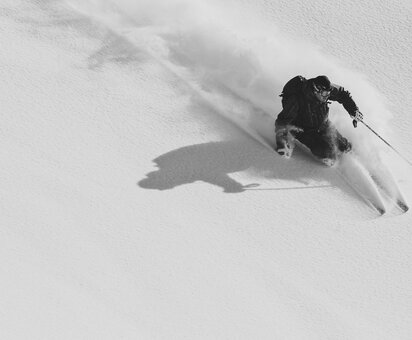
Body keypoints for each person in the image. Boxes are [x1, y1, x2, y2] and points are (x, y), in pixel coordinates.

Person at [275, 75, 363, 165]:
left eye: (328, 93)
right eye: (325, 94)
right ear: (315, 90)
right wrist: (282, 144)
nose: (327, 96)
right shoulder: (297, 99)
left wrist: (353, 110)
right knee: (328, 153)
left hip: (323, 124)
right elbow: (282, 121)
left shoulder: (325, 92)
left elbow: (343, 94)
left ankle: (358, 160)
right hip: (304, 130)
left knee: (345, 147)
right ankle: (331, 161)